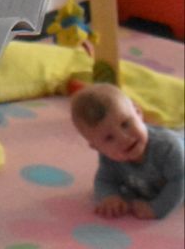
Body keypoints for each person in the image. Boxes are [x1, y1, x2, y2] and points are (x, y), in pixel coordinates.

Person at [70, 82, 185, 220]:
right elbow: (104, 181)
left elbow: (180, 181)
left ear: (138, 113)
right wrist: (110, 196)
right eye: (109, 138)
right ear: (97, 147)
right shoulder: (109, 157)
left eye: (125, 124)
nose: (124, 139)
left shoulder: (168, 148)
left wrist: (156, 208)